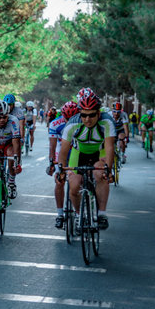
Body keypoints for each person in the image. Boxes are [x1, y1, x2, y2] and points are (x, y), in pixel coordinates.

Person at [59, 91, 115, 230]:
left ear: (98, 113)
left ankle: (102, 214)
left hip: (99, 153)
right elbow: (64, 150)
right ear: (79, 113)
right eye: (83, 115)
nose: (87, 119)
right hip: (78, 155)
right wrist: (60, 169)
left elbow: (109, 148)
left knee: (100, 174)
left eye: (91, 115)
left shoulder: (107, 122)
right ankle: (79, 214)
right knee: (74, 184)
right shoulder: (73, 124)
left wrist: (108, 169)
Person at [46, 101, 80, 229]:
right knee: (59, 181)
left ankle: (78, 213)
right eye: (66, 118)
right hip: (62, 150)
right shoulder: (55, 124)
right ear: (62, 115)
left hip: (76, 150)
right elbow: (53, 146)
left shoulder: (82, 123)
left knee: (78, 181)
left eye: (72, 118)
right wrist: (52, 163)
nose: (69, 121)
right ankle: (60, 214)